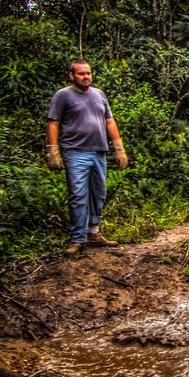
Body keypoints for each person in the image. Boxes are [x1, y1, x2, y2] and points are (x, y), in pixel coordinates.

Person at [45, 59, 128, 255]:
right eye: (81, 74)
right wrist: (53, 150)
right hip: (75, 152)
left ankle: (94, 233)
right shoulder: (63, 95)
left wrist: (119, 148)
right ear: (72, 75)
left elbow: (109, 121)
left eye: (88, 73)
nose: (86, 77)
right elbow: (53, 122)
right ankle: (77, 239)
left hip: (99, 151)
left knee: (98, 194)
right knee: (78, 195)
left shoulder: (99, 94)